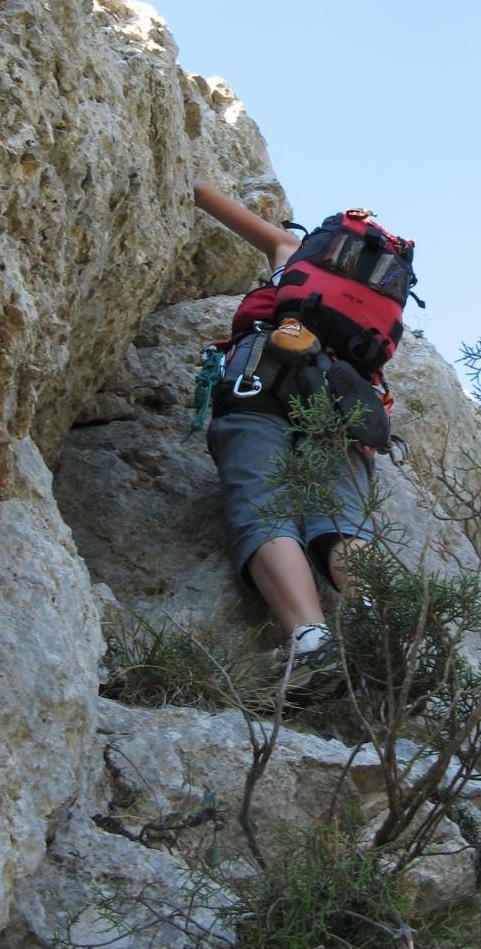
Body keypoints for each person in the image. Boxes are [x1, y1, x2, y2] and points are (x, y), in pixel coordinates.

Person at [193, 180, 378, 700]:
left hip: (263, 380)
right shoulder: (369, 308)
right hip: (343, 396)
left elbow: (202, 193)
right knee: (342, 513)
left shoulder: (292, 253)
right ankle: (385, 632)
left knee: (264, 502)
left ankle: (313, 644)